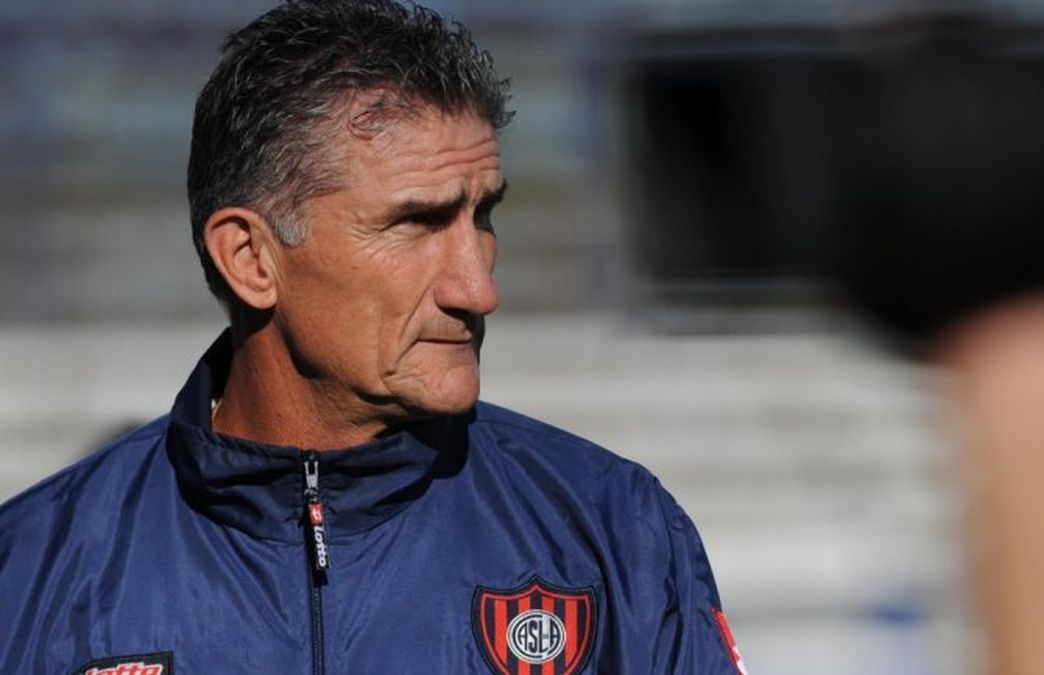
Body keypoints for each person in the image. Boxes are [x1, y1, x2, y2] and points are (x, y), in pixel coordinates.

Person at [0, 2, 747, 673]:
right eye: (416, 222)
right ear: (251, 258)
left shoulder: (616, 535)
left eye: (482, 216)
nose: (478, 289)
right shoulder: (31, 572)